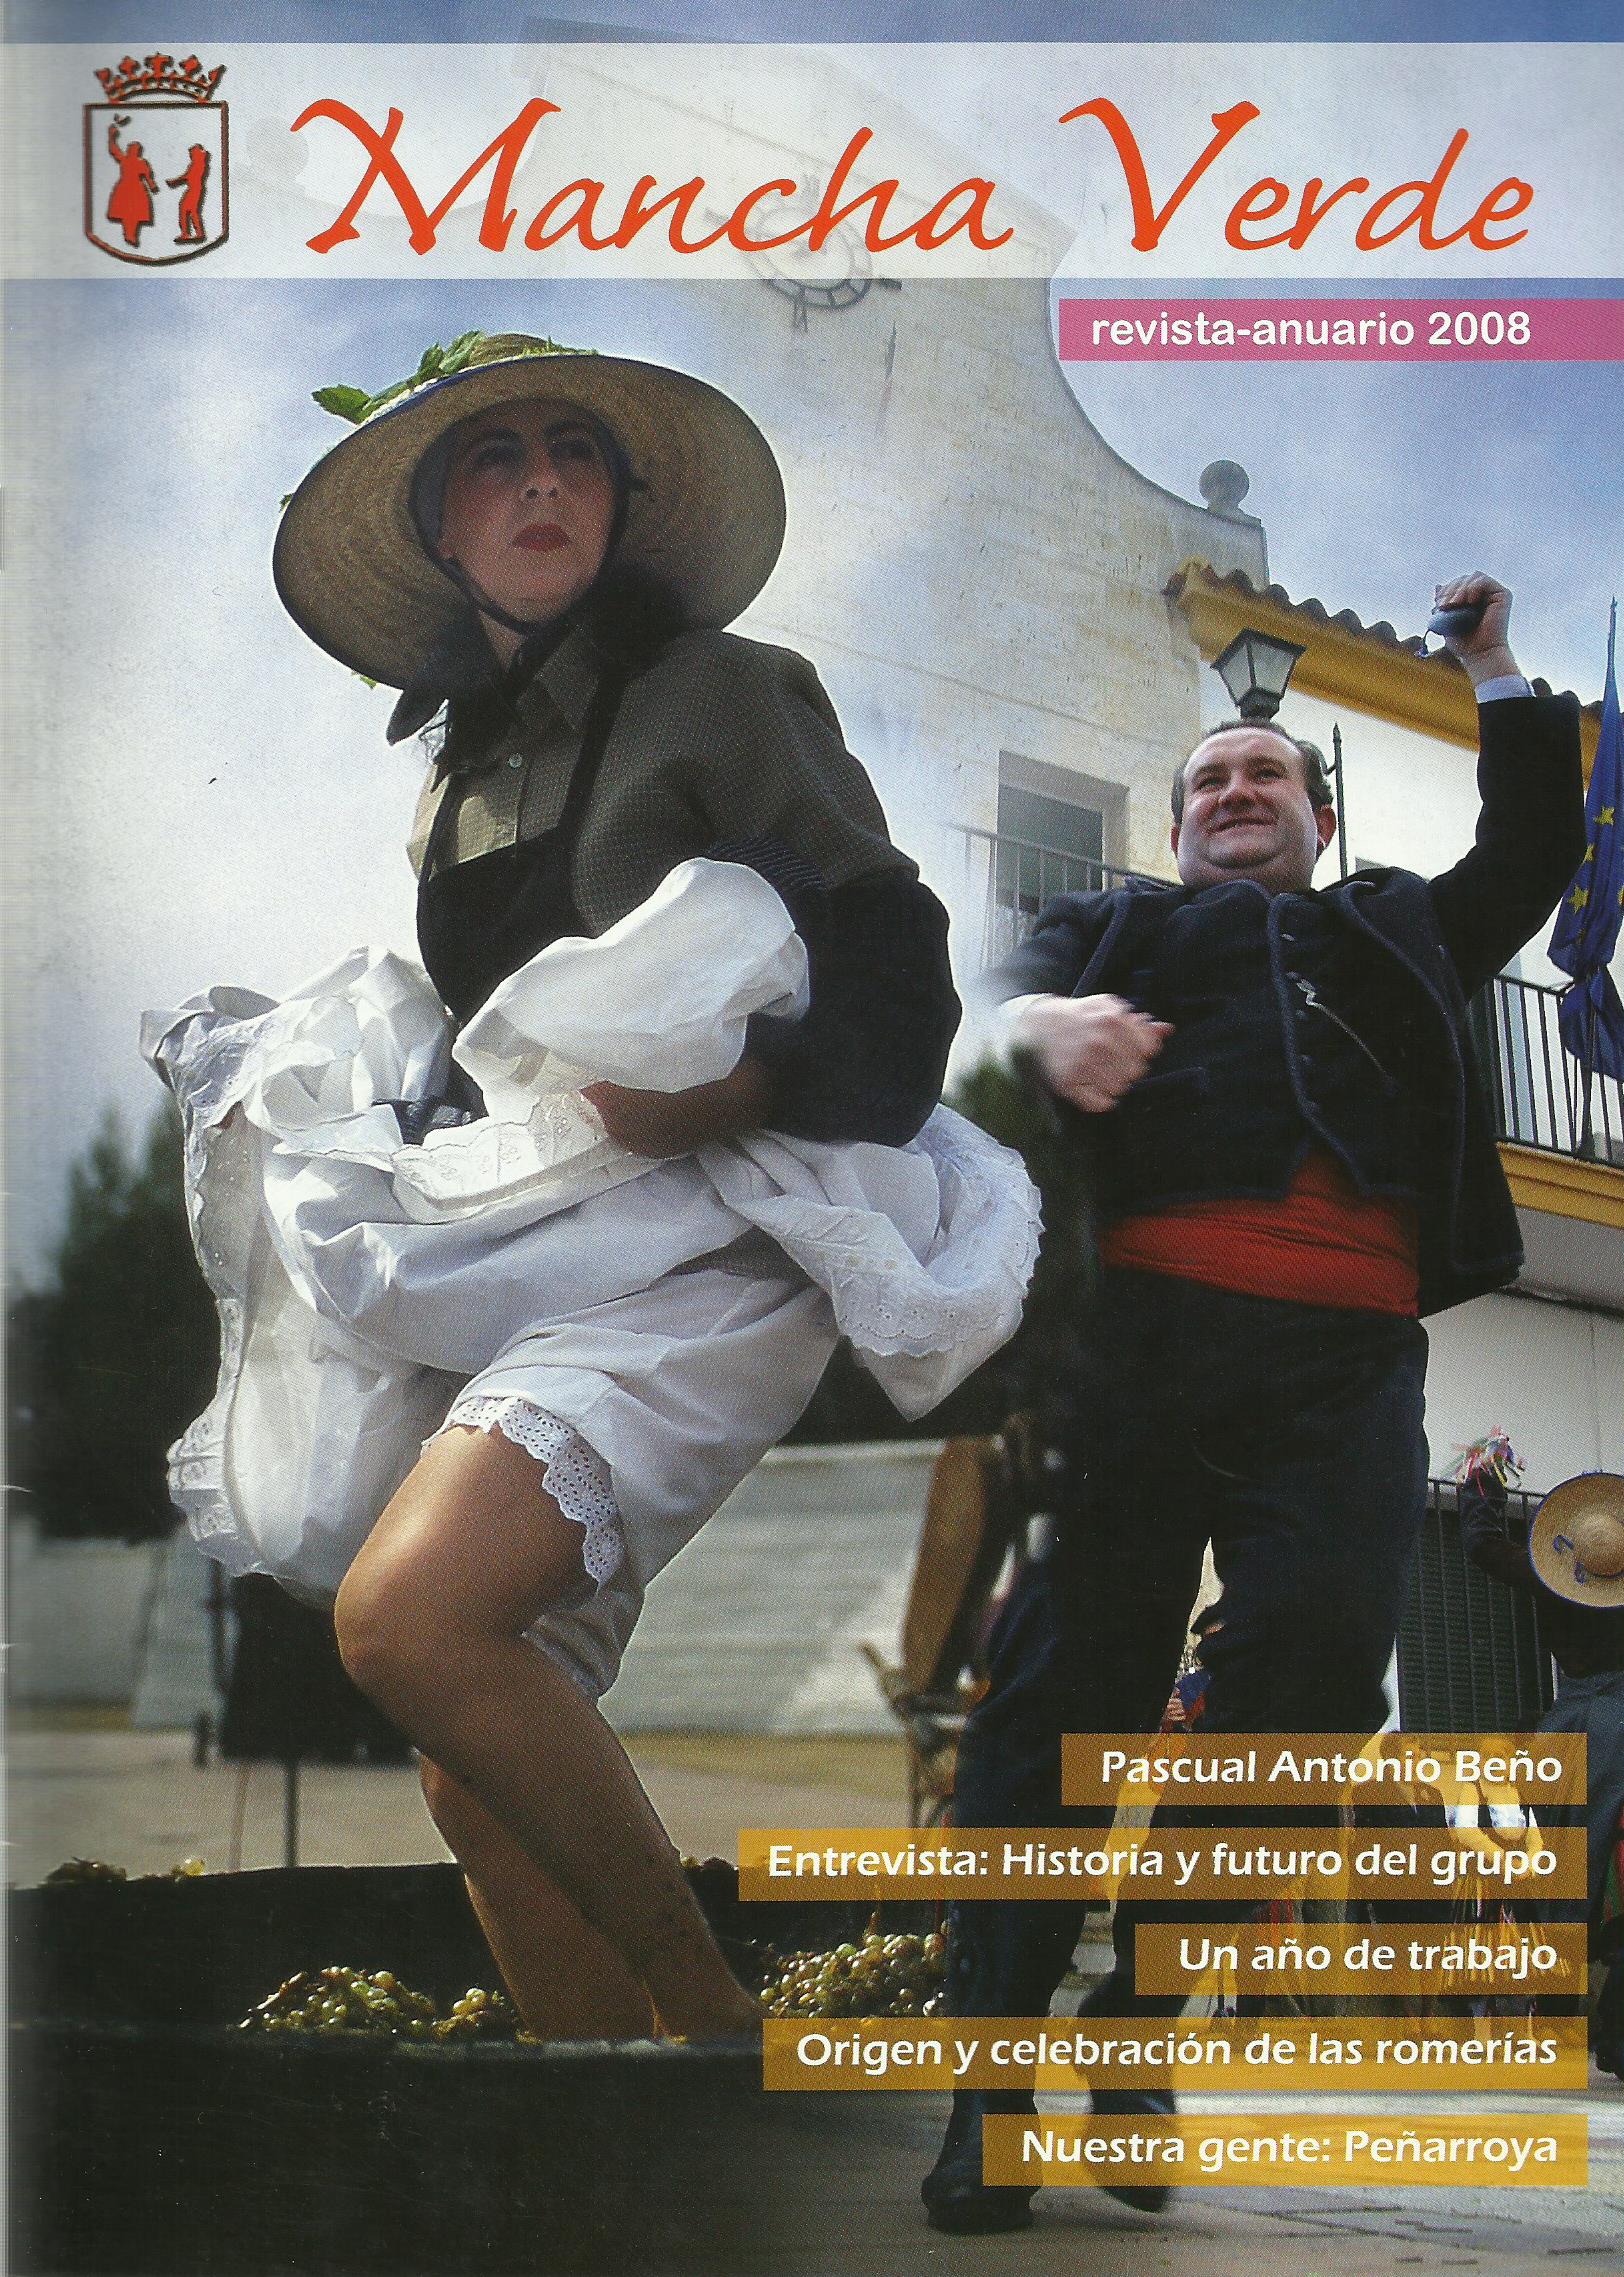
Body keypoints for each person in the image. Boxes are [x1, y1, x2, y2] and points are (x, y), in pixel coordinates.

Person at [147, 330, 1038, 2043]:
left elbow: (897, 963)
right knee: (478, 1746)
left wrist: (739, 1085)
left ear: (621, 508)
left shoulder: (721, 688)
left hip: (723, 1229)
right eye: (494, 457)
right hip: (555, 1232)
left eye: (573, 450)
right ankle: (605, 2117)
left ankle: (714, 2044)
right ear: (443, 527)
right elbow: (500, 1045)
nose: (540, 479)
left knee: (414, 1622)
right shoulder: (450, 786)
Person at [923, 572, 1585, 2231]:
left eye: (1264, 775)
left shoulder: (1399, 927)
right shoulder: (1110, 930)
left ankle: (1138, 2017)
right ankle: (989, 2079)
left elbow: (1531, 845)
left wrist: (1494, 667)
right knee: (1060, 1692)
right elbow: (963, 1023)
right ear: (1176, 825)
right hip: (1129, 1348)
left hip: (1345, 1361)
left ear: (1315, 816)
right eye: (1209, 778)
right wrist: (1031, 1026)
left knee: (1316, 1668)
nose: (1235, 790)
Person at [1459, 1444, 1624, 2080]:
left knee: (1556, 1870)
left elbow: (1481, 1544)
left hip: (1569, 1729)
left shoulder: (1547, 1580)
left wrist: (1483, 1482)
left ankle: (1555, 2013)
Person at [105, 120, 158, 249]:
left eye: (133, 149)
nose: (130, 150)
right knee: (125, 212)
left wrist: (152, 186)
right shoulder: (125, 159)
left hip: (136, 189)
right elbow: (113, 149)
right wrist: (111, 136)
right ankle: (128, 234)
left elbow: (147, 177)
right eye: (130, 148)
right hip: (125, 187)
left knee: (134, 213)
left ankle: (131, 234)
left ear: (136, 151)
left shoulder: (141, 163)